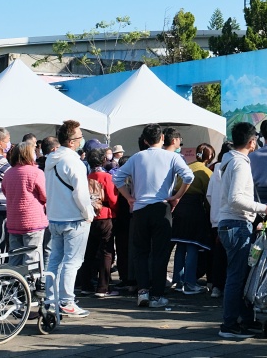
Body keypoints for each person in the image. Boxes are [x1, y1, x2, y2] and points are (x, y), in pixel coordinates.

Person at [113, 123, 195, 310]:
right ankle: (157, 294)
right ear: (162, 138)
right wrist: (177, 197)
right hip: (162, 207)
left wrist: (129, 198)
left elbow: (117, 178)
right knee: (160, 253)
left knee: (140, 252)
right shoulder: (172, 157)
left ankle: (143, 291)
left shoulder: (136, 157)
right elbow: (189, 177)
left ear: (144, 140)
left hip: (140, 209)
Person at [211, 121, 267, 339]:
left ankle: (241, 320)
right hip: (236, 225)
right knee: (237, 277)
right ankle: (229, 325)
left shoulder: (229, 161)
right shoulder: (239, 164)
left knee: (239, 275)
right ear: (251, 141)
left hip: (232, 224)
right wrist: (263, 208)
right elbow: (236, 198)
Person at [44, 120, 95, 318]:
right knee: (72, 262)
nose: (82, 139)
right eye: (80, 136)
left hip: (55, 216)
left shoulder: (51, 159)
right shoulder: (73, 161)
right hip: (74, 217)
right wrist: (88, 213)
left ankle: (51, 298)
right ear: (72, 141)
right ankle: (67, 301)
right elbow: (81, 193)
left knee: (54, 261)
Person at [171, 143, 214, 295]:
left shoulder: (187, 167)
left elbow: (176, 186)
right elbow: (209, 196)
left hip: (179, 208)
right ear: (210, 157)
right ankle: (190, 283)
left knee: (181, 246)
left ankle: (177, 280)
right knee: (193, 246)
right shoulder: (207, 172)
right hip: (195, 209)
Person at [77, 148, 119, 297]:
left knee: (89, 252)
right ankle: (103, 287)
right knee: (106, 251)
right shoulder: (106, 177)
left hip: (89, 216)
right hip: (105, 216)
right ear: (103, 160)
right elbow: (113, 199)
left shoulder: (86, 176)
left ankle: (85, 284)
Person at [0, 141, 48, 269]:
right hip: (32, 221)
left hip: (13, 220)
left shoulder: (8, 173)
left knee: (15, 256)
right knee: (31, 257)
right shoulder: (36, 173)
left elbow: (5, 192)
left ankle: (13, 284)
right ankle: (29, 285)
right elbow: (45, 195)